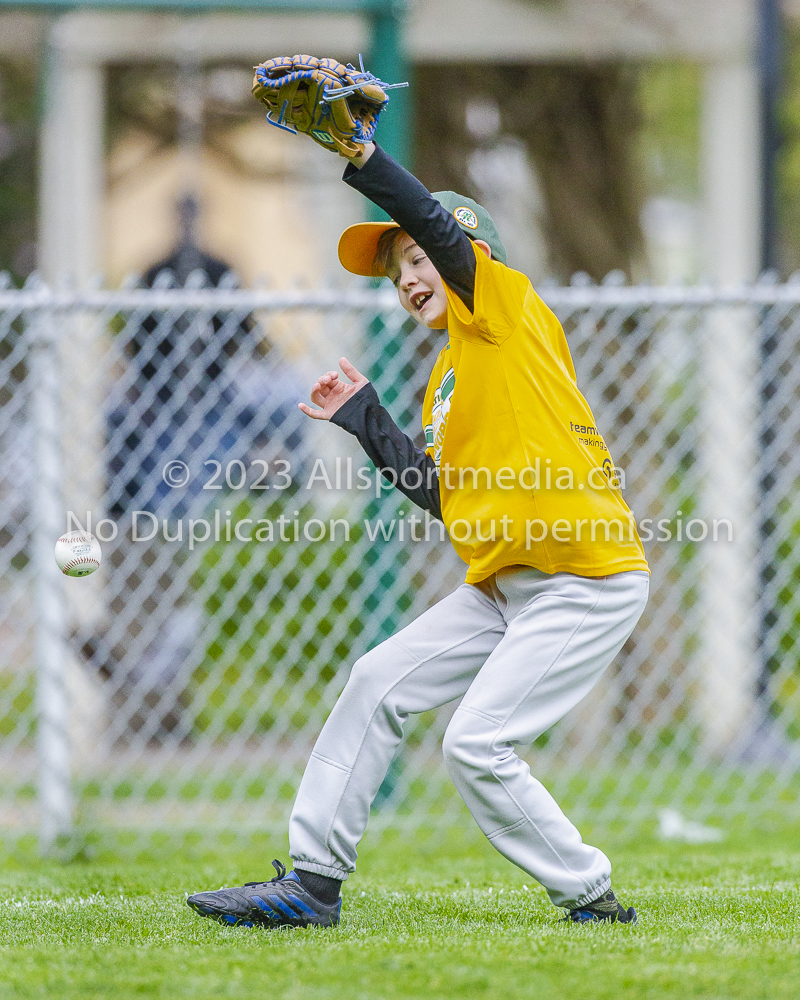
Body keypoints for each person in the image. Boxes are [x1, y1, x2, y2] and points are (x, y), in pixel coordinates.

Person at [187, 137, 650, 928]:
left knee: (476, 744)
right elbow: (442, 494)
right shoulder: (449, 379)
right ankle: (312, 884)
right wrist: (364, 419)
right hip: (505, 588)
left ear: (468, 260)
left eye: (416, 260)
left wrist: (366, 161)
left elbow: (436, 228)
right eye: (395, 270)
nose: (406, 278)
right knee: (375, 681)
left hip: (586, 582)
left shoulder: (506, 312)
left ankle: (589, 896)